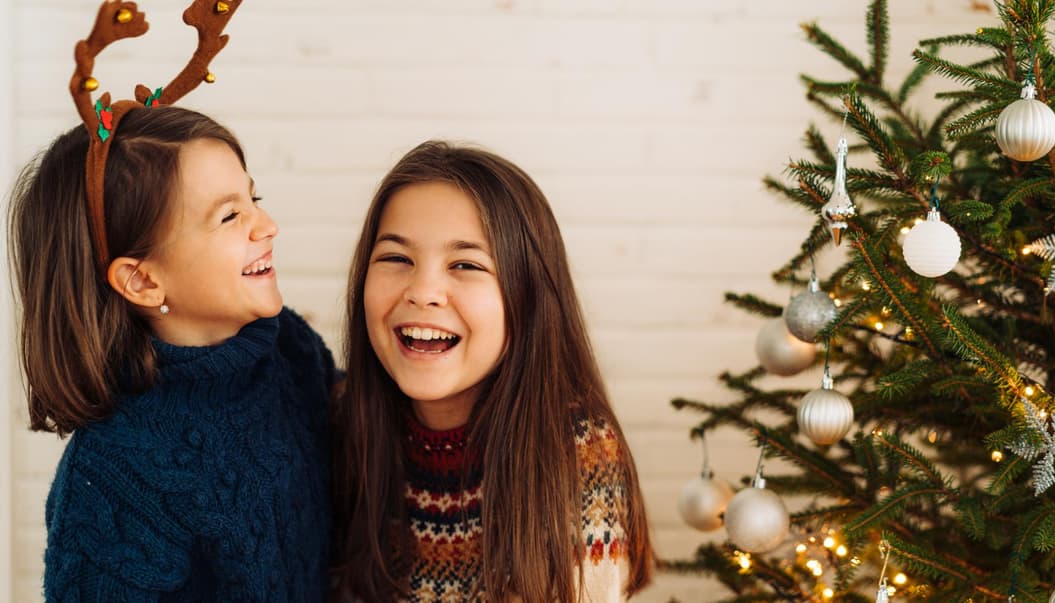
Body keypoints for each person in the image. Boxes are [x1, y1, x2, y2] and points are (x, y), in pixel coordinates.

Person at [8, 1, 334, 600]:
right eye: (230, 215)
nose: (267, 225)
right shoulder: (114, 477)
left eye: (253, 196)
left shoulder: (287, 347)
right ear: (142, 281)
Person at [332, 140, 653, 602]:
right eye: (397, 259)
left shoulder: (575, 452)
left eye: (465, 264)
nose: (423, 292)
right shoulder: (342, 422)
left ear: (526, 295)